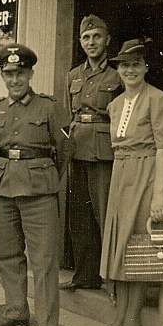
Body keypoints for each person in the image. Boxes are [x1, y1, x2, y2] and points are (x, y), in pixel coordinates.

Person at [0, 43, 70, 326]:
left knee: (44, 258)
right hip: (5, 188)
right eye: (9, 74)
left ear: (31, 73)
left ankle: (47, 322)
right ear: (2, 76)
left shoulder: (48, 107)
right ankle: (16, 309)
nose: (15, 79)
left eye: (20, 73)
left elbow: (63, 151)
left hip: (39, 190)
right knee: (7, 254)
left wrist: (43, 177)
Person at [93, 38, 163, 326]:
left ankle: (133, 322)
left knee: (138, 248)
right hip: (121, 176)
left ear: (145, 67)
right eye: (124, 65)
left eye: (135, 64)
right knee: (120, 246)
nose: (129, 70)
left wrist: (159, 196)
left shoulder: (159, 100)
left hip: (147, 175)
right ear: (118, 70)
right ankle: (118, 318)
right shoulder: (114, 105)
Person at [60, 15, 123, 291]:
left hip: (103, 152)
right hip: (76, 151)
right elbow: (67, 115)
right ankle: (86, 275)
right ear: (80, 42)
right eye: (86, 38)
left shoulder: (117, 74)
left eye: (96, 36)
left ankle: (112, 279)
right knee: (80, 216)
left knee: (105, 214)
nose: (91, 42)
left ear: (107, 40)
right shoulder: (73, 75)